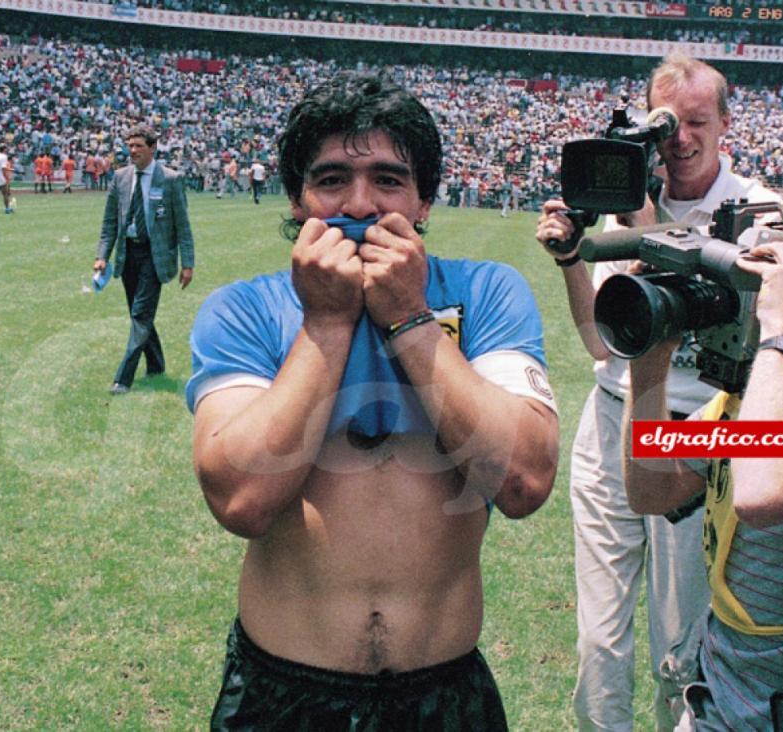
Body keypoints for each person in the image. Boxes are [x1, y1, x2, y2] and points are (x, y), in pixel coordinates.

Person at [187, 71, 559, 729]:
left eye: (388, 180)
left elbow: (524, 481)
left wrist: (411, 318)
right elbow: (243, 499)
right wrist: (326, 324)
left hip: (444, 693)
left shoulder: (488, 294)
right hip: (283, 694)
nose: (359, 204)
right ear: (300, 202)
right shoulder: (243, 309)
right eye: (331, 180)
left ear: (423, 203)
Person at [534, 51, 782, 730]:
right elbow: (597, 340)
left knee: (681, 645)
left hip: (696, 426)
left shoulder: (759, 210)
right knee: (597, 640)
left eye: (696, 121)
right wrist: (570, 259)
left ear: (726, 124)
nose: (678, 138)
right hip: (611, 417)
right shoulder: (622, 202)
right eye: (665, 122)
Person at [621, 185, 783, 729]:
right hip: (722, 699)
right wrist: (650, 357)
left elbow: (769, 489)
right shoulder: (769, 387)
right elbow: (654, 487)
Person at [93, 124, 193, 395]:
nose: (132, 150)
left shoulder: (170, 179)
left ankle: (123, 378)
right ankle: (156, 364)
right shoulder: (120, 177)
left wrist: (188, 263)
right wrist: (102, 256)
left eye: (138, 146)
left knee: (140, 314)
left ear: (152, 148)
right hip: (128, 254)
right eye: (130, 145)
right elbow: (110, 223)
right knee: (140, 314)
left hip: (155, 255)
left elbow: (182, 224)